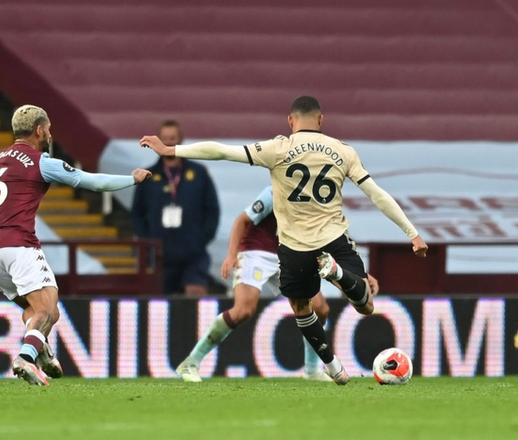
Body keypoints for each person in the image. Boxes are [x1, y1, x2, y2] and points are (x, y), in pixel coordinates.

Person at [140, 96, 428, 385]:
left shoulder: (278, 150)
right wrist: (411, 233)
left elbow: (222, 152)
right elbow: (375, 195)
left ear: (290, 121)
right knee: (252, 309)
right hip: (280, 248)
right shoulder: (339, 153)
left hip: (292, 250)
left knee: (312, 308)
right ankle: (192, 362)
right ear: (321, 120)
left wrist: (171, 150)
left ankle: (317, 367)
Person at [0, 105, 152, 386]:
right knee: (46, 311)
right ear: (39, 130)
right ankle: (26, 357)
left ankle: (42, 350)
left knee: (42, 311)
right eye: (48, 129)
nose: (50, 134)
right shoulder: (40, 161)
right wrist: (131, 180)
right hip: (19, 247)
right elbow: (90, 182)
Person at [176, 185, 380, 382]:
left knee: (320, 309)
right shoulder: (275, 192)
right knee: (243, 310)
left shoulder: (317, 200)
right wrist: (231, 255)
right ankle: (191, 362)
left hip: (289, 256)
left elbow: (335, 239)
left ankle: (311, 370)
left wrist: (360, 273)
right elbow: (242, 220)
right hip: (256, 252)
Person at [131, 120, 220, 295]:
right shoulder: (147, 176)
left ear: (181, 139)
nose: (169, 142)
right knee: (158, 310)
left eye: (173, 138)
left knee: (196, 300)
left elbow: (212, 210)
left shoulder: (199, 173)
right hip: (159, 255)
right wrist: (148, 242)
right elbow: (137, 213)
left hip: (193, 254)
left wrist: (200, 240)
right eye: (165, 139)